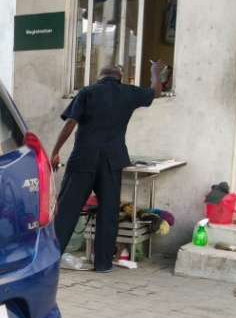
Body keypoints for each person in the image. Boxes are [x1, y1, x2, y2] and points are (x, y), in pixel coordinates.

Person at [50, 61, 167, 272]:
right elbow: (155, 92)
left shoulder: (87, 92)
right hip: (112, 161)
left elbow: (71, 123)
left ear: (100, 77)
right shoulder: (129, 93)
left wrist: (56, 151)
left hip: (84, 158)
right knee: (108, 211)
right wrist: (155, 72)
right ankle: (103, 264)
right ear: (120, 78)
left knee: (67, 209)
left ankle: (50, 259)